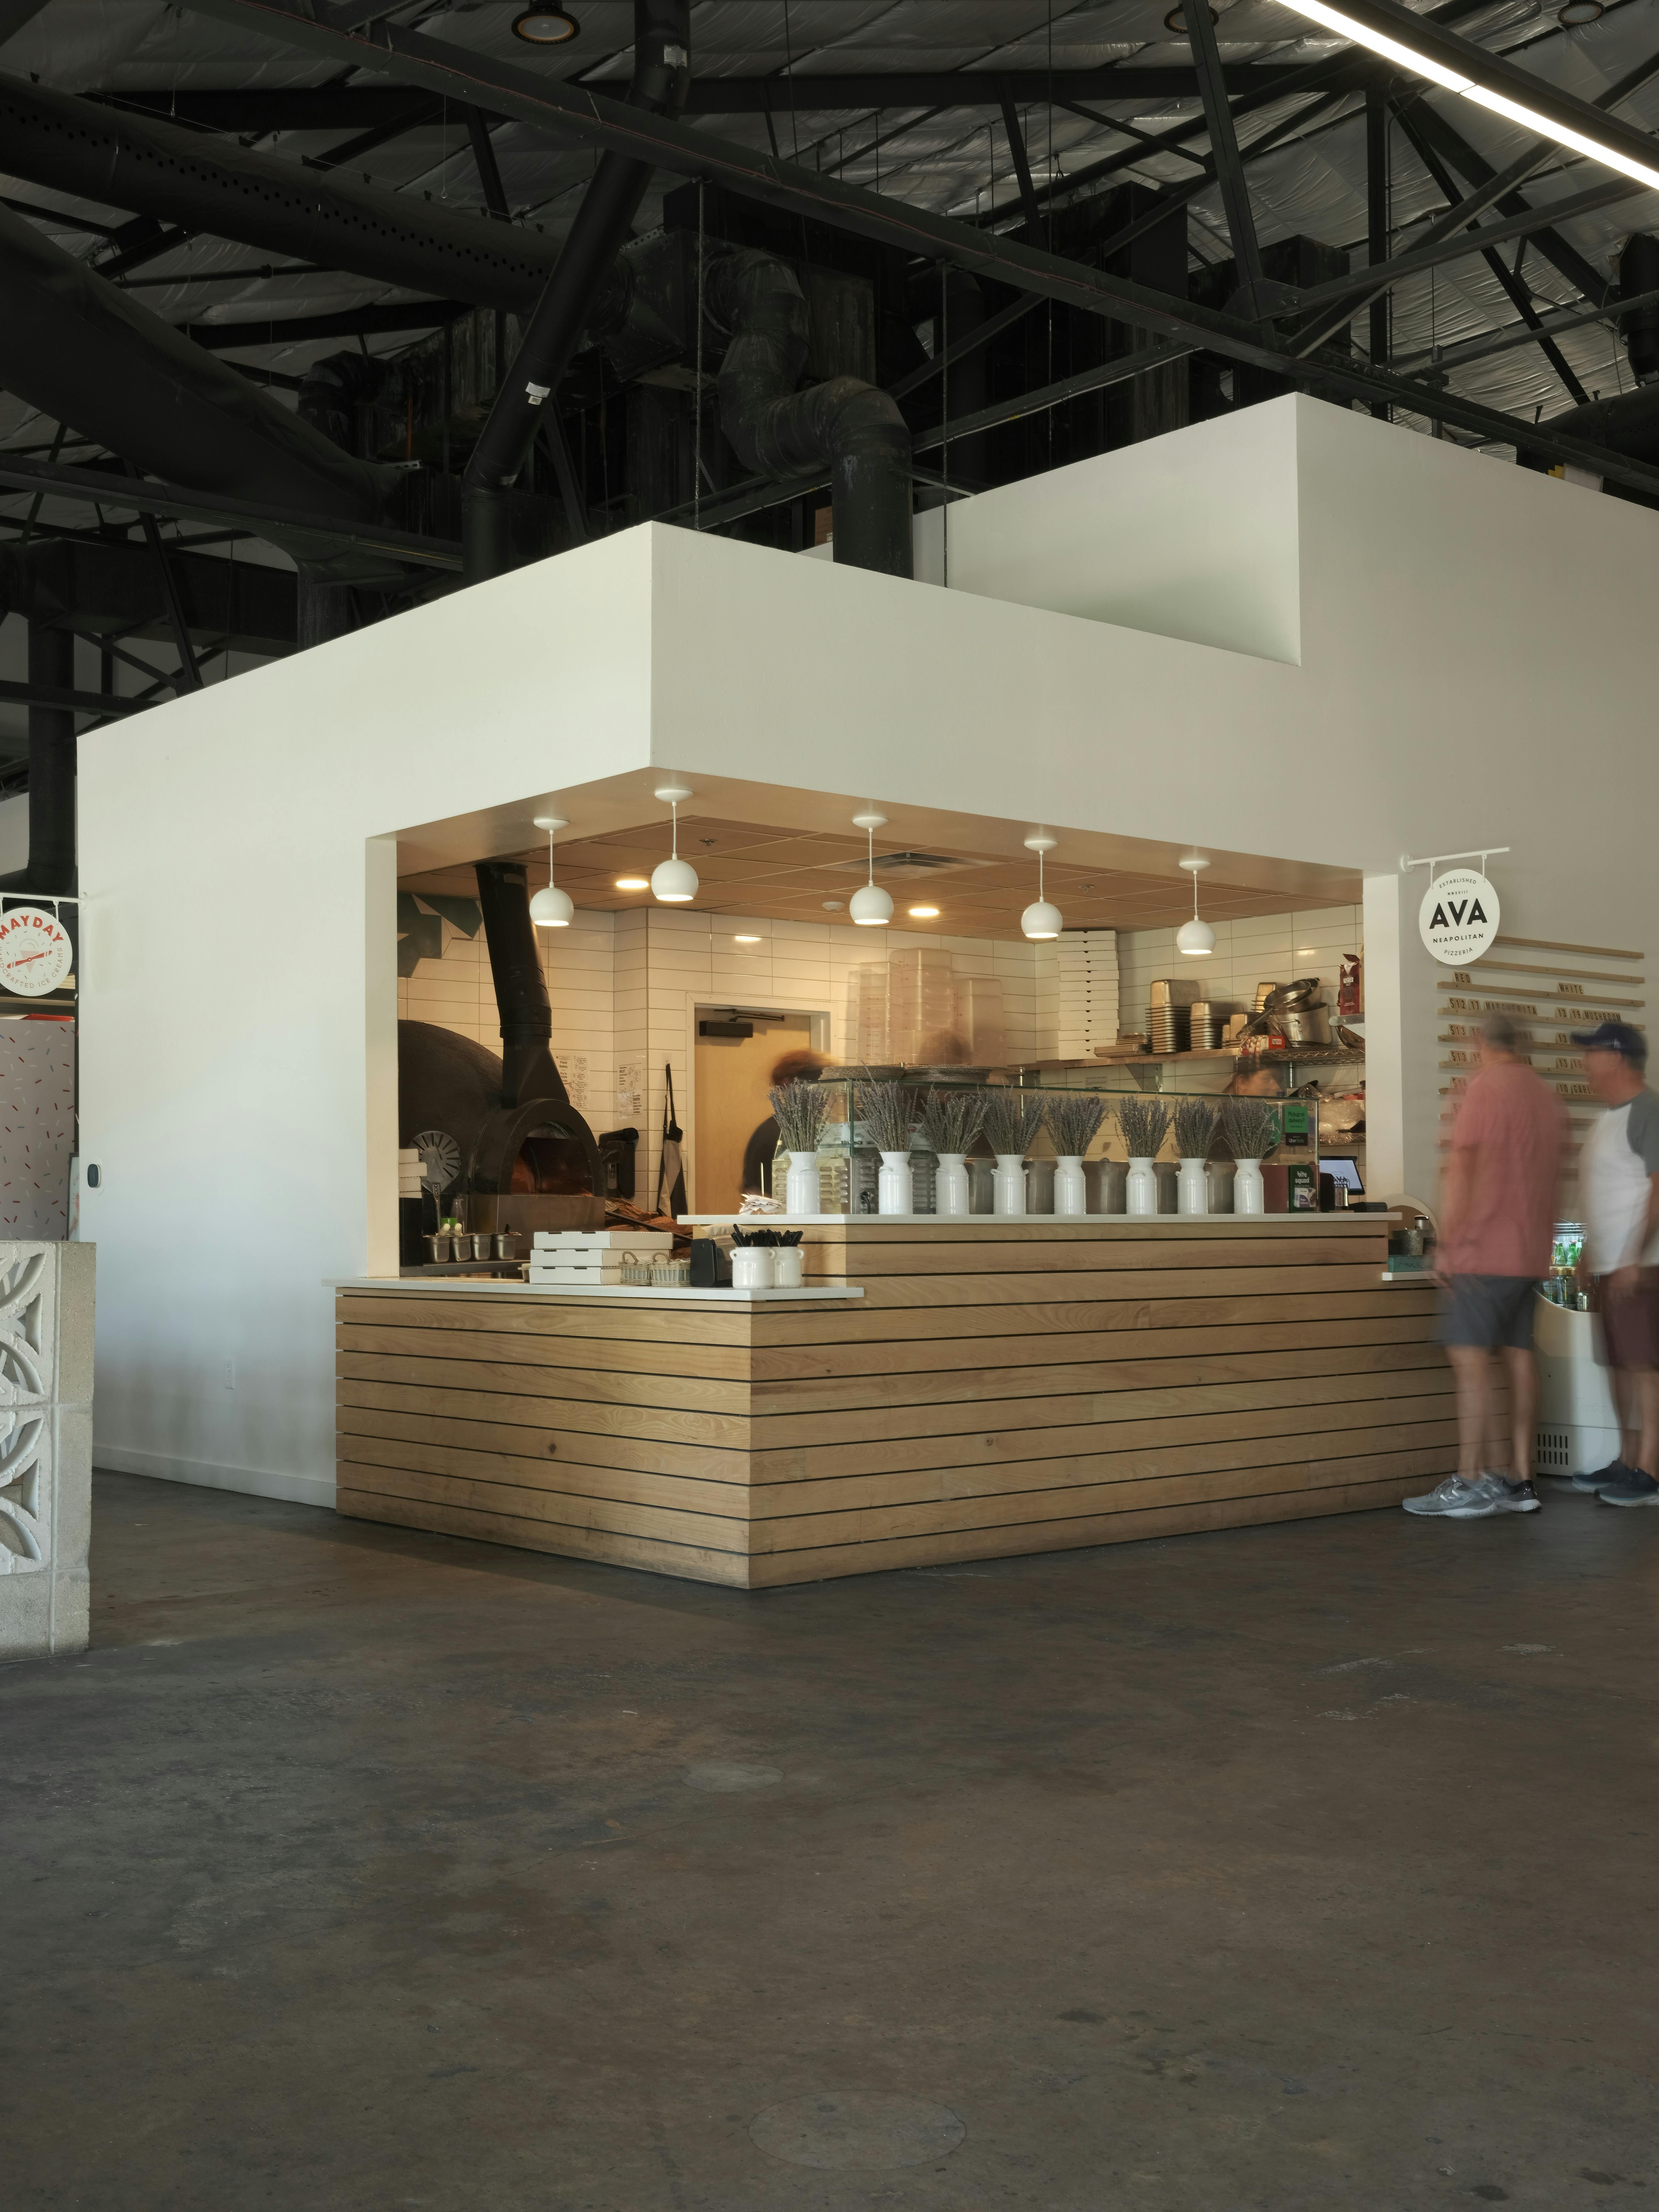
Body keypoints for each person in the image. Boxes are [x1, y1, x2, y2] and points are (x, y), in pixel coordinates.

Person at [1403, 1011, 1566, 1520]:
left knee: (1469, 1359)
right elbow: (1555, 1179)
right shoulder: (1546, 1097)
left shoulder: (1482, 1090)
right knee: (1518, 1357)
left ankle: (1471, 1480)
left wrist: (1448, 1245)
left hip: (1483, 1250)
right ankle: (1519, 1479)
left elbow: (1462, 1172)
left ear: (1481, 1043)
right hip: (1529, 1252)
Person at [1566, 1021, 1659, 1506]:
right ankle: (1627, 1459)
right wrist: (1586, 1253)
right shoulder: (1606, 1118)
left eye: (1592, 1053)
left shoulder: (1648, 1111)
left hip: (1641, 1267)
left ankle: (1650, 1470)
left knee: (1644, 1364)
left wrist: (1633, 1259)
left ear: (1617, 1058)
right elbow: (1601, 1193)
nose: (1584, 1062)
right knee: (1619, 1363)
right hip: (1610, 1265)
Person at [740, 1047, 828, 1198]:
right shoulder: (771, 1132)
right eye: (814, 1083)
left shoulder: (823, 1128)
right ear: (788, 1084)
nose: (822, 1093)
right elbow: (756, 1195)